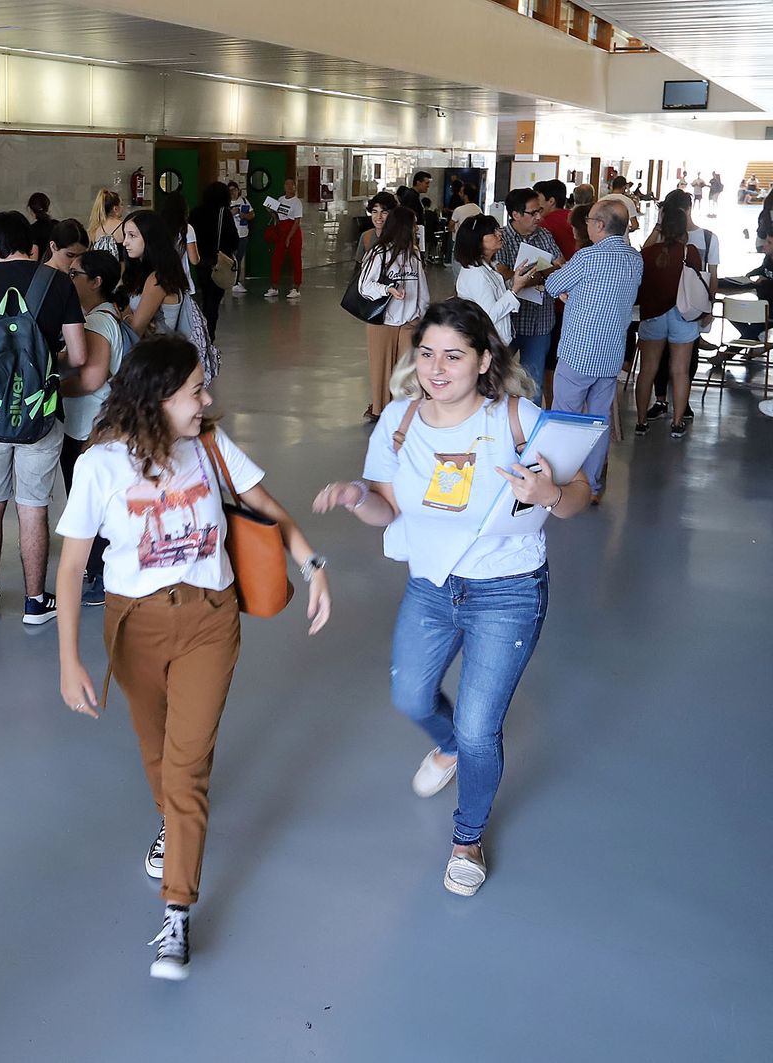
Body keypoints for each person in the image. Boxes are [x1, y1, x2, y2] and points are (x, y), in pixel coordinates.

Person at [56, 335, 330, 980]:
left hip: (211, 619)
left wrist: (311, 563)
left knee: (187, 766)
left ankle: (177, 909)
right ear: (157, 399)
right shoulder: (100, 466)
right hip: (134, 627)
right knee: (156, 751)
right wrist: (68, 660)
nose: (206, 401)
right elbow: (71, 567)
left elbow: (264, 506)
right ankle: (169, 821)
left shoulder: (208, 445)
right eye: (194, 392)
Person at [314, 298, 590, 898]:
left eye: (455, 355)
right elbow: (386, 507)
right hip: (432, 586)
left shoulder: (516, 418)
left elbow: (578, 495)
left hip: (508, 591)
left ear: (484, 359)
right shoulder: (400, 420)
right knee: (410, 696)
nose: (437, 368)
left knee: (478, 727)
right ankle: (447, 748)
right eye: (428, 353)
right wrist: (355, 495)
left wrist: (548, 492)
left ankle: (467, 838)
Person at [0, 211, 86, 624]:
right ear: (34, 245)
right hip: (40, 414)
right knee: (33, 507)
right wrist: (46, 360)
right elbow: (79, 356)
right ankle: (34, 601)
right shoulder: (58, 282)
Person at [545, 197, 645, 501]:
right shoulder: (634, 259)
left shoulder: (588, 258)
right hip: (611, 354)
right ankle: (592, 487)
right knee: (598, 420)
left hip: (579, 352)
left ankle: (563, 483)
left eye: (588, 220)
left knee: (566, 419)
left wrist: (569, 293)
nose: (586, 225)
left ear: (599, 225)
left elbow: (552, 285)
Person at [58, 249, 130, 608]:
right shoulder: (98, 317)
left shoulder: (98, 322)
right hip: (89, 423)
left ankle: (102, 574)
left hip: (91, 426)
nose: (70, 279)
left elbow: (91, 380)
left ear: (96, 282)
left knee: (90, 502)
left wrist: (51, 387)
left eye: (75, 274)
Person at [642, 189, 719, 423]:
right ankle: (666, 404)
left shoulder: (706, 237)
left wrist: (709, 308)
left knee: (681, 362)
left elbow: (712, 276)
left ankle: (674, 406)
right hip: (680, 313)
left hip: (682, 309)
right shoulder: (678, 243)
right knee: (676, 365)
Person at [634, 203, 704, 439]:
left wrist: (656, 229)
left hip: (652, 315)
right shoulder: (691, 252)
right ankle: (676, 423)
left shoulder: (648, 253)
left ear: (663, 227)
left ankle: (642, 422)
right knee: (680, 371)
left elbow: (642, 261)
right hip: (682, 315)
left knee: (647, 371)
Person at [355, 205, 429, 420]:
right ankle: (381, 412)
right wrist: (386, 289)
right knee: (381, 370)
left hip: (409, 322)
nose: (416, 229)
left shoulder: (413, 254)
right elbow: (364, 286)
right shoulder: (379, 253)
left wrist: (422, 316)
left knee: (408, 371)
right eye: (413, 225)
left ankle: (404, 413)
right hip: (382, 321)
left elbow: (421, 288)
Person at [493, 188, 563, 397]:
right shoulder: (501, 239)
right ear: (516, 214)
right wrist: (542, 272)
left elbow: (560, 267)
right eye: (532, 213)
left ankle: (529, 426)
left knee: (534, 384)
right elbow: (502, 276)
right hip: (509, 321)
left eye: (539, 211)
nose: (539, 217)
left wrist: (527, 277)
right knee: (496, 377)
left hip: (539, 322)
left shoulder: (545, 235)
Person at [454, 215, 537, 354]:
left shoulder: (488, 266)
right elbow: (489, 315)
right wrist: (515, 289)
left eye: (497, 230)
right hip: (486, 345)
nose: (499, 235)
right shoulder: (476, 274)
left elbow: (497, 295)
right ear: (477, 240)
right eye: (493, 232)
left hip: (496, 343)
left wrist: (514, 281)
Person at [120, 209, 187, 338]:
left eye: (132, 236)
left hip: (157, 354)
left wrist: (128, 319)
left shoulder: (157, 279)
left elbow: (134, 332)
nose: (125, 242)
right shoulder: (144, 274)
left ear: (150, 237)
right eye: (125, 235)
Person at [189, 181, 240, 333]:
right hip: (218, 262)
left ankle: (201, 332)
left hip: (200, 261)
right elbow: (233, 241)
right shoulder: (224, 213)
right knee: (213, 303)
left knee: (205, 297)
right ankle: (208, 335)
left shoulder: (196, 212)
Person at [263, 177, 304, 299]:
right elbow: (277, 217)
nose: (289, 187)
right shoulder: (280, 199)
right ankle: (274, 286)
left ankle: (296, 287)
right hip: (282, 229)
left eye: (292, 184)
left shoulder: (297, 202)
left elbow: (297, 221)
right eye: (287, 184)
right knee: (276, 258)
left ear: (295, 187)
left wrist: (289, 237)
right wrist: (270, 211)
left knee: (296, 259)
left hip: (293, 232)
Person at [159, 192, 199, 295]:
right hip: (181, 280)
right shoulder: (187, 229)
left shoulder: (158, 226)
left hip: (160, 279)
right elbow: (194, 260)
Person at [535, 179, 578, 261]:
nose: (536, 206)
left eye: (538, 200)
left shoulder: (544, 224)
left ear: (551, 201)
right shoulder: (575, 217)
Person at [356, 191, 399, 266]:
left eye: (384, 212)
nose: (379, 217)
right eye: (375, 212)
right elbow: (358, 266)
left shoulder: (399, 237)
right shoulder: (366, 236)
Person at [226, 180, 254, 294]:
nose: (233, 192)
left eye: (235, 190)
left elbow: (252, 214)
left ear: (239, 191)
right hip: (230, 235)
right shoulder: (225, 203)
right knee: (229, 259)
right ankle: (229, 281)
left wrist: (244, 215)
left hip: (243, 234)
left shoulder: (244, 201)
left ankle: (236, 282)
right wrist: (231, 213)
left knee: (238, 258)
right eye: (230, 190)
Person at [87, 188, 127, 256]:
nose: (123, 208)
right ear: (115, 209)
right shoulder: (124, 227)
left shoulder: (95, 228)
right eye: (121, 204)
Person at [28, 191, 56, 257]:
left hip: (40, 265)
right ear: (47, 207)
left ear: (30, 210)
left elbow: (33, 257)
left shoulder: (31, 230)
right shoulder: (57, 226)